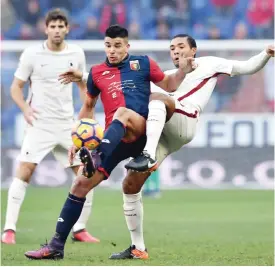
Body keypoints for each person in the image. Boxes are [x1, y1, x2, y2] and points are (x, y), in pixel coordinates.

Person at [24, 24, 196, 260]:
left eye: (117, 46)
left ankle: (98, 155)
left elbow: (169, 85)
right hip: (115, 138)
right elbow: (88, 106)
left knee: (122, 113)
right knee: (79, 185)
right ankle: (56, 246)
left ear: (127, 46)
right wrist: (77, 138)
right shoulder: (96, 73)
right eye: (108, 46)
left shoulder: (143, 63)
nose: (112, 50)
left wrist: (184, 71)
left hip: (141, 130)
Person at [1, 8, 99, 245]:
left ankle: (80, 229)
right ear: (46, 29)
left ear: (67, 29)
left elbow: (83, 86)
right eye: (52, 26)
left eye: (60, 26)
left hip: (68, 125)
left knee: (87, 174)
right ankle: (9, 230)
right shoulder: (32, 54)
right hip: (40, 124)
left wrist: (86, 117)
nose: (56, 30)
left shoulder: (76, 53)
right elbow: (16, 87)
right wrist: (25, 108)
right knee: (25, 171)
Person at [126, 34, 275, 172]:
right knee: (131, 180)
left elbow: (247, 67)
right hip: (166, 133)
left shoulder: (210, 63)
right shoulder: (167, 77)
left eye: (181, 47)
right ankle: (144, 165)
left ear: (193, 50)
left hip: (186, 121)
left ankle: (148, 155)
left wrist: (266, 53)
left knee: (157, 99)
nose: (176, 51)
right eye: (172, 48)